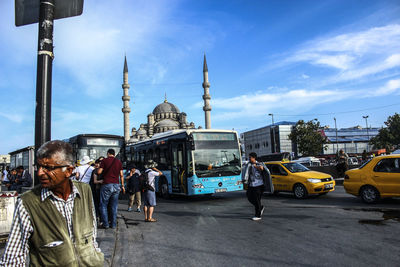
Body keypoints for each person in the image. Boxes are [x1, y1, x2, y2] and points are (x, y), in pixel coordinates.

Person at [0, 140, 104, 266]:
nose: (40, 173)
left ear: (68, 171)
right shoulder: (28, 203)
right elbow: (13, 257)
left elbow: (91, 235)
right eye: (39, 167)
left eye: (48, 168)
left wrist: (96, 257)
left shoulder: (84, 191)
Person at [97, 149, 125, 229]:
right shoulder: (118, 162)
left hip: (106, 184)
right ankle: (113, 224)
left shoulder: (104, 161)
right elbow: (121, 175)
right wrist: (122, 186)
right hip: (116, 185)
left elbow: (99, 172)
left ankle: (105, 224)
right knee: (114, 206)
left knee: (103, 205)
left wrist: (100, 168)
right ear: (114, 154)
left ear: (108, 153)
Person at [242, 152, 273, 221]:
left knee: (257, 199)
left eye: (250, 157)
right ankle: (260, 207)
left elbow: (262, 168)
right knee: (249, 196)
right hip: (251, 184)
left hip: (259, 185)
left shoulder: (259, 163)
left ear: (254, 158)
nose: (249, 158)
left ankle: (258, 215)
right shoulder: (249, 164)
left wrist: (256, 166)